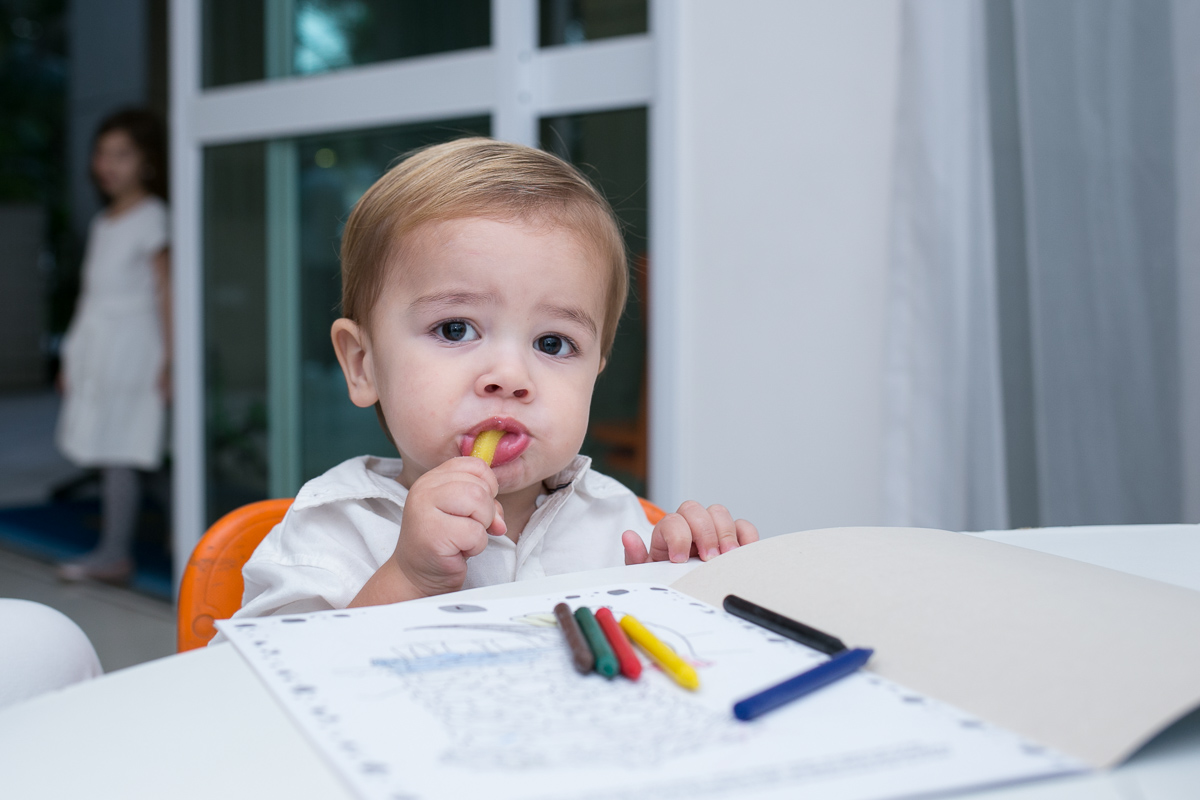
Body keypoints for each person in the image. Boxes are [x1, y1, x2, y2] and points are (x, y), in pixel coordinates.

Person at [233, 138, 756, 619]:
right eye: (455, 329)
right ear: (362, 363)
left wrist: (678, 585)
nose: (509, 376)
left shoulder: (620, 524)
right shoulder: (330, 532)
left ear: (595, 373)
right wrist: (407, 578)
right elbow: (258, 693)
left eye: (553, 343)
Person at [55, 109, 170, 583]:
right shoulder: (105, 221)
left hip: (134, 349)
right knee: (132, 448)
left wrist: (171, 358)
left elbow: (167, 291)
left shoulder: (152, 217)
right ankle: (190, 526)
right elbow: (91, 296)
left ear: (145, 162)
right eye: (103, 153)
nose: (108, 164)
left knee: (122, 447)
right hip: (100, 348)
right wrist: (71, 358)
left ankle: (113, 554)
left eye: (122, 154)